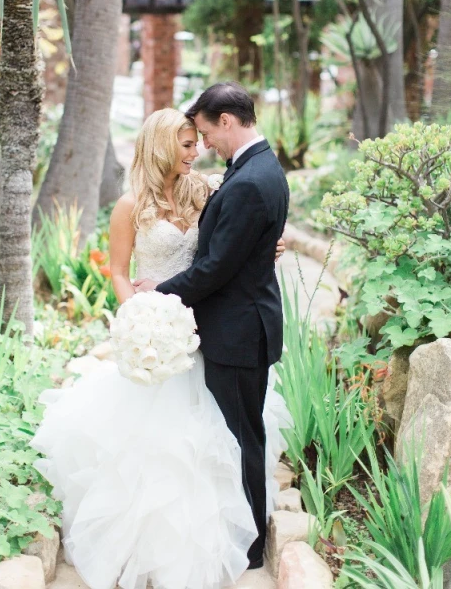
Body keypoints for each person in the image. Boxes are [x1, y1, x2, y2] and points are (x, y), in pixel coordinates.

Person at [31, 102, 291, 589]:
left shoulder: (205, 193)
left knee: (208, 438)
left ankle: (221, 534)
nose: (197, 152)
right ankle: (148, 546)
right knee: (155, 446)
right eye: (187, 145)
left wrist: (268, 244)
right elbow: (120, 272)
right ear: (160, 147)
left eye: (198, 142)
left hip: (203, 330)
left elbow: (230, 242)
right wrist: (139, 317)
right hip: (158, 334)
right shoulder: (130, 206)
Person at [134, 83, 290, 569]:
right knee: (233, 434)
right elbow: (236, 246)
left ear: (227, 121)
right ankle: (239, 530)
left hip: (237, 331)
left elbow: (216, 266)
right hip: (236, 324)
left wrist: (156, 296)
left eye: (205, 133)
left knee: (240, 437)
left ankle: (250, 546)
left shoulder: (247, 180)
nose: (203, 146)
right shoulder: (256, 169)